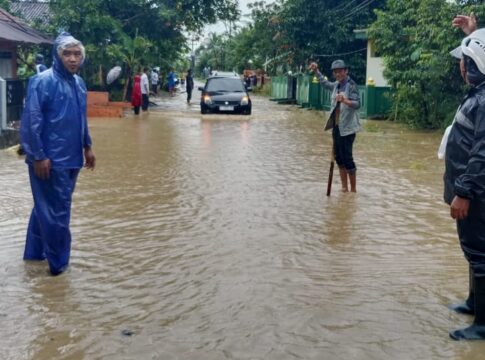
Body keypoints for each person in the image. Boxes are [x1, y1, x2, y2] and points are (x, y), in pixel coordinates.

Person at [19, 32, 96, 276]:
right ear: (57, 55)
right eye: (67, 54)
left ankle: (34, 254)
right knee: (57, 214)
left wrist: (88, 146)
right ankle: (59, 267)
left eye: (77, 54)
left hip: (72, 157)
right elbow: (31, 120)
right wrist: (38, 156)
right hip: (50, 161)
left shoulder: (79, 83)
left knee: (45, 208)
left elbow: (80, 118)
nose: (73, 59)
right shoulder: (43, 81)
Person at [310, 60, 362, 193]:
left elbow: (357, 104)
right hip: (336, 126)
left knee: (347, 158)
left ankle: (353, 190)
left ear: (346, 71)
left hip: (348, 129)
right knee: (338, 157)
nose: (338, 74)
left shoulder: (351, 86)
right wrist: (316, 71)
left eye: (340, 71)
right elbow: (324, 83)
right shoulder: (336, 85)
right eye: (335, 72)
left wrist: (345, 100)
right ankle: (344, 188)